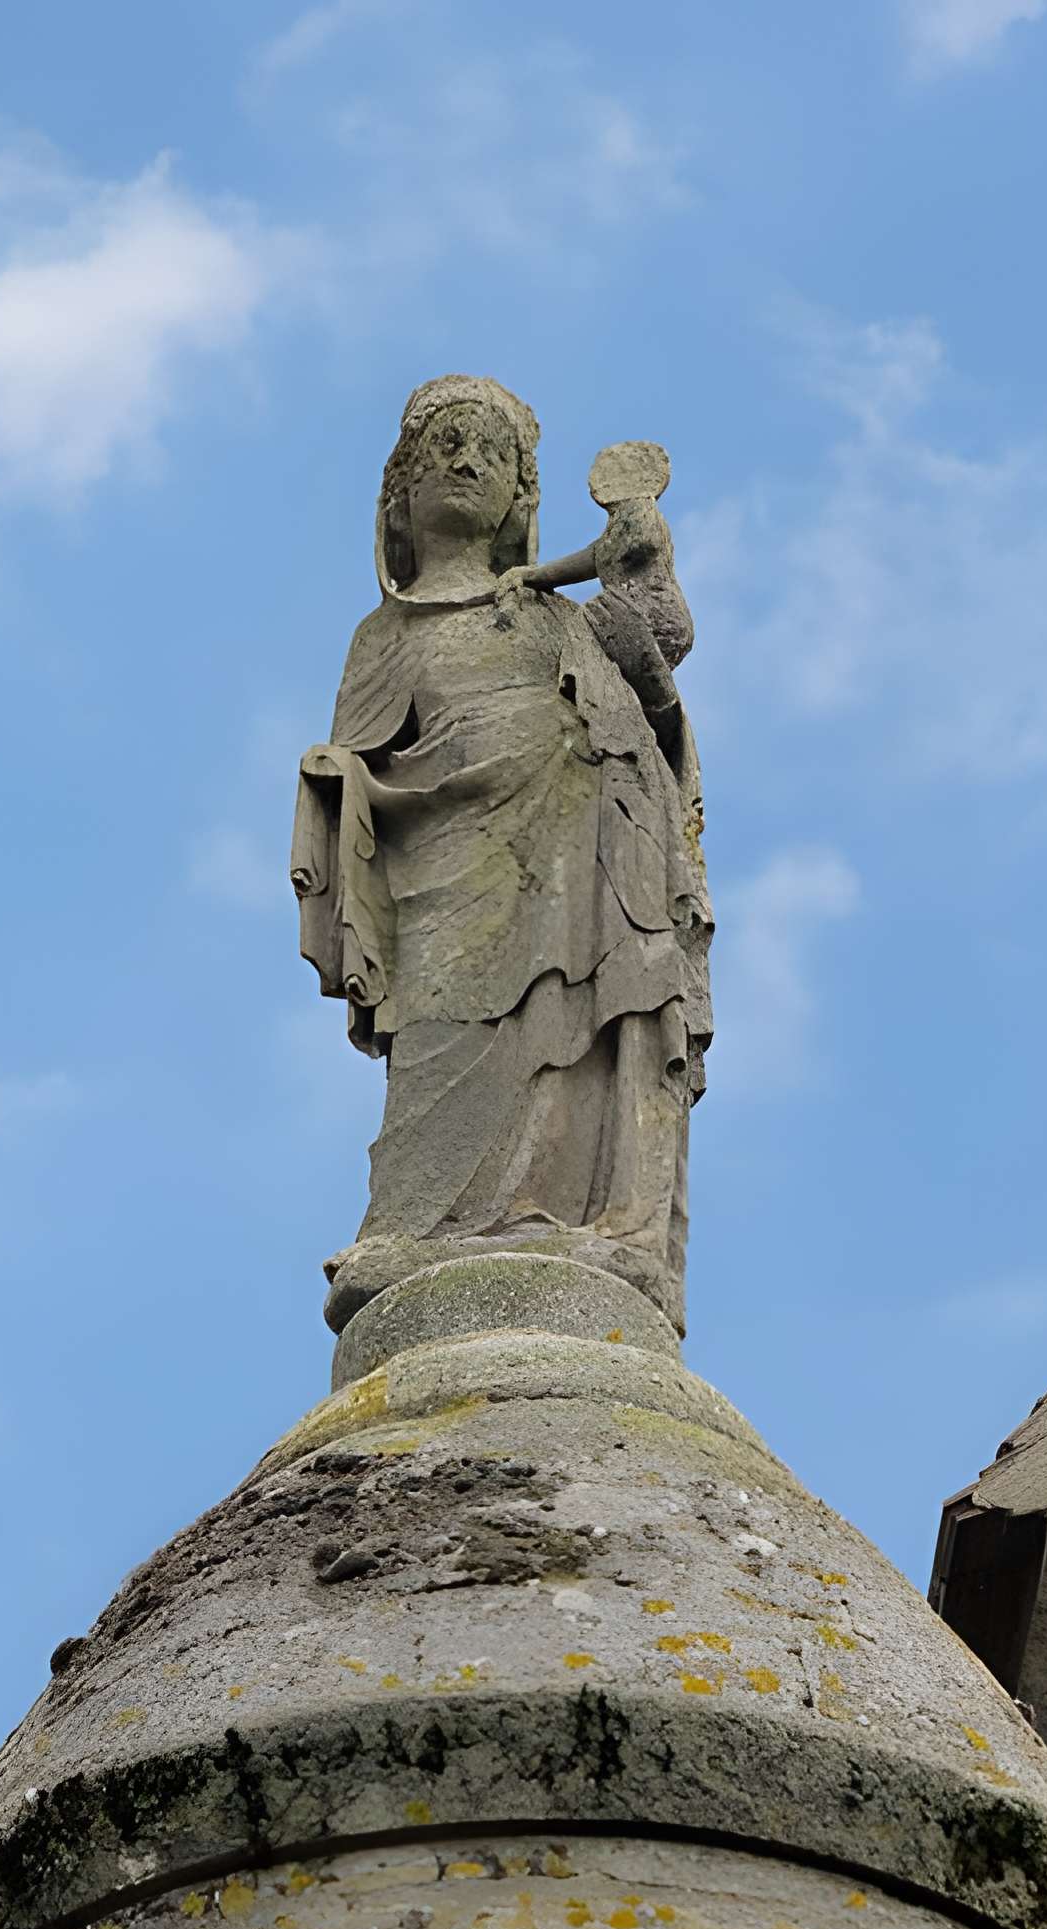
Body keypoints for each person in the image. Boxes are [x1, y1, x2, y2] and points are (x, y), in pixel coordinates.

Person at [291, 377, 712, 1336]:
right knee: (442, 1033)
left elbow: (659, 657)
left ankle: (603, 1227)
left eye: (490, 451)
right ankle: (416, 1229)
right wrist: (335, 783)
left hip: (592, 846)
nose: (465, 461)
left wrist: (643, 569)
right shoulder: (384, 636)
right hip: (449, 863)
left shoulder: (553, 614)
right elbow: (365, 760)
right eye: (442, 445)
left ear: (522, 496)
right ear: (399, 488)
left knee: (590, 1021)